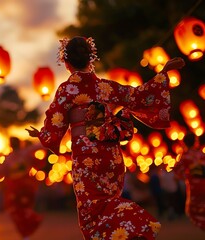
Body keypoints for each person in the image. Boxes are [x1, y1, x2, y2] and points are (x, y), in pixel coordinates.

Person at [26, 36, 185, 240]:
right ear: (90, 59)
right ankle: (128, 229)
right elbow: (138, 96)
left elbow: (55, 126)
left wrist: (41, 134)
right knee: (108, 202)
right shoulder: (105, 87)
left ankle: (138, 223)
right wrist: (162, 73)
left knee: (92, 213)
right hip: (111, 156)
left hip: (86, 157)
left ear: (66, 63)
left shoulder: (67, 90)